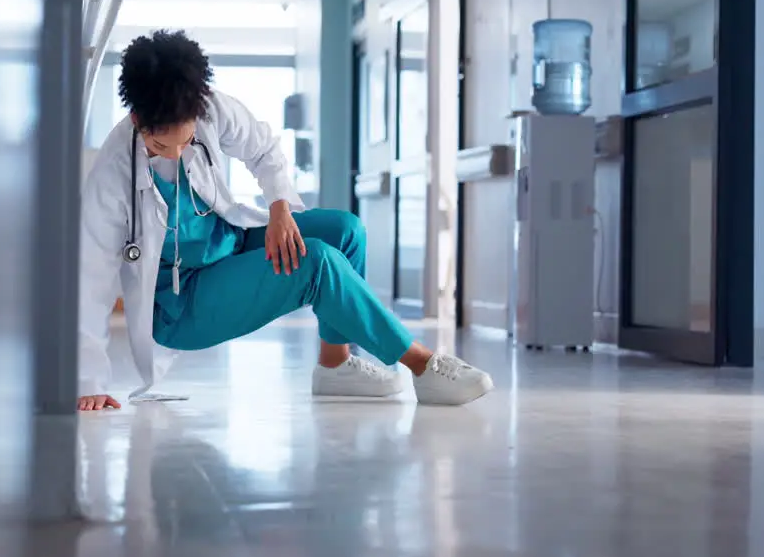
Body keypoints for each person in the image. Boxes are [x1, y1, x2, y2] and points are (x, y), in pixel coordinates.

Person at [76, 30, 493, 411]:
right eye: (160, 144)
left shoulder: (208, 108)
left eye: (185, 141)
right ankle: (422, 365)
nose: (175, 154)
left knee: (345, 231)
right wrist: (88, 380)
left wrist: (278, 206)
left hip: (230, 243)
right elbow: (90, 281)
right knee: (314, 261)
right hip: (179, 303)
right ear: (136, 120)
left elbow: (263, 150)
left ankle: (335, 366)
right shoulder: (113, 175)